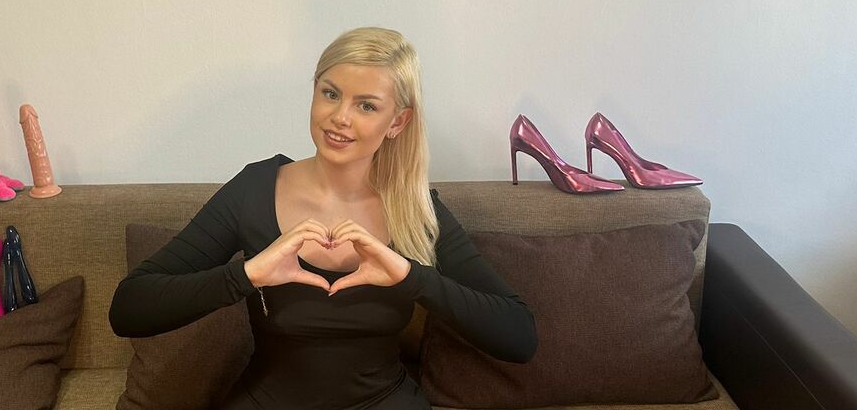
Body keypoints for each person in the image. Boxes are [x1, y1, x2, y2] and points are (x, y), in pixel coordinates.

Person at [108, 27, 537, 409]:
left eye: (366, 106)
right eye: (331, 94)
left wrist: (412, 277)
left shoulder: (417, 209)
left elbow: (519, 336)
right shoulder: (254, 190)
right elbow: (129, 308)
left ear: (397, 122)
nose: (340, 117)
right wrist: (247, 275)